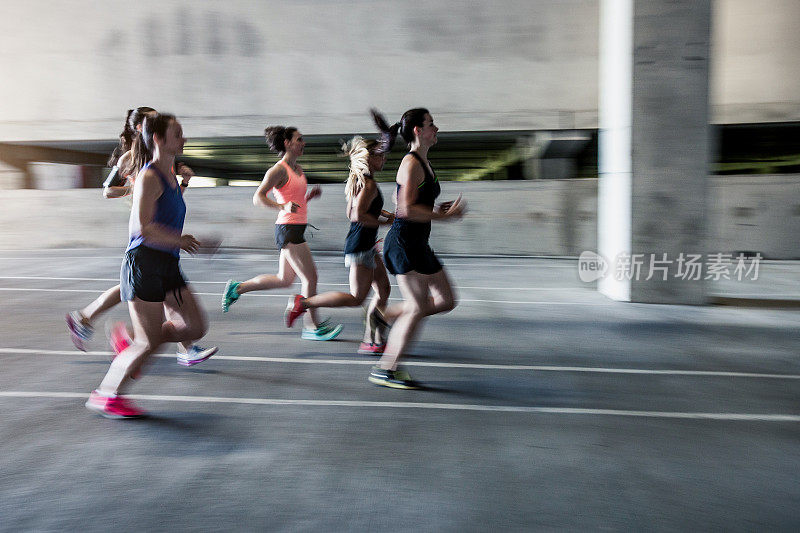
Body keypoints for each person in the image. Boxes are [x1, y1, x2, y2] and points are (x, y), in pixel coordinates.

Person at [66, 107, 216, 366]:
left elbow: (171, 200)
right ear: (140, 128)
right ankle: (92, 320)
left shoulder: (162, 160)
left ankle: (182, 345)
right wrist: (136, 192)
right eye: (151, 119)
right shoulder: (131, 158)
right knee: (142, 290)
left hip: (159, 239)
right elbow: (108, 191)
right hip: (144, 236)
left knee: (162, 294)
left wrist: (184, 183)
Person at [368, 108, 465, 389]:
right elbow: (406, 210)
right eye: (431, 124)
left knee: (446, 299)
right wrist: (443, 216)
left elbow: (417, 205)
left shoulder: (425, 161)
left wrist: (437, 209)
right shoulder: (410, 163)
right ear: (417, 131)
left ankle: (384, 315)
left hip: (419, 243)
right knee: (419, 306)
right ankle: (386, 368)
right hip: (404, 243)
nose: (436, 129)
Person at [285, 111, 397, 353]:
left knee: (384, 289)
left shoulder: (360, 181)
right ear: (368, 158)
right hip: (360, 246)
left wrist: (385, 214)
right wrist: (385, 224)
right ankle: (303, 303)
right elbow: (357, 216)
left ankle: (372, 337)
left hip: (364, 244)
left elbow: (352, 213)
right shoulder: (366, 184)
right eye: (379, 155)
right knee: (357, 297)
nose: (384, 159)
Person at [222, 126, 342, 341]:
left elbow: (294, 200)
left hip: (296, 227)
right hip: (288, 230)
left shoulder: (298, 169)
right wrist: (282, 206)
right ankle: (311, 326)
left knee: (284, 279)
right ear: (287, 143)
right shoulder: (279, 169)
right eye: (299, 139)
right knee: (310, 277)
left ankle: (237, 288)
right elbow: (258, 197)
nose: (303, 143)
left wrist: (308, 197)